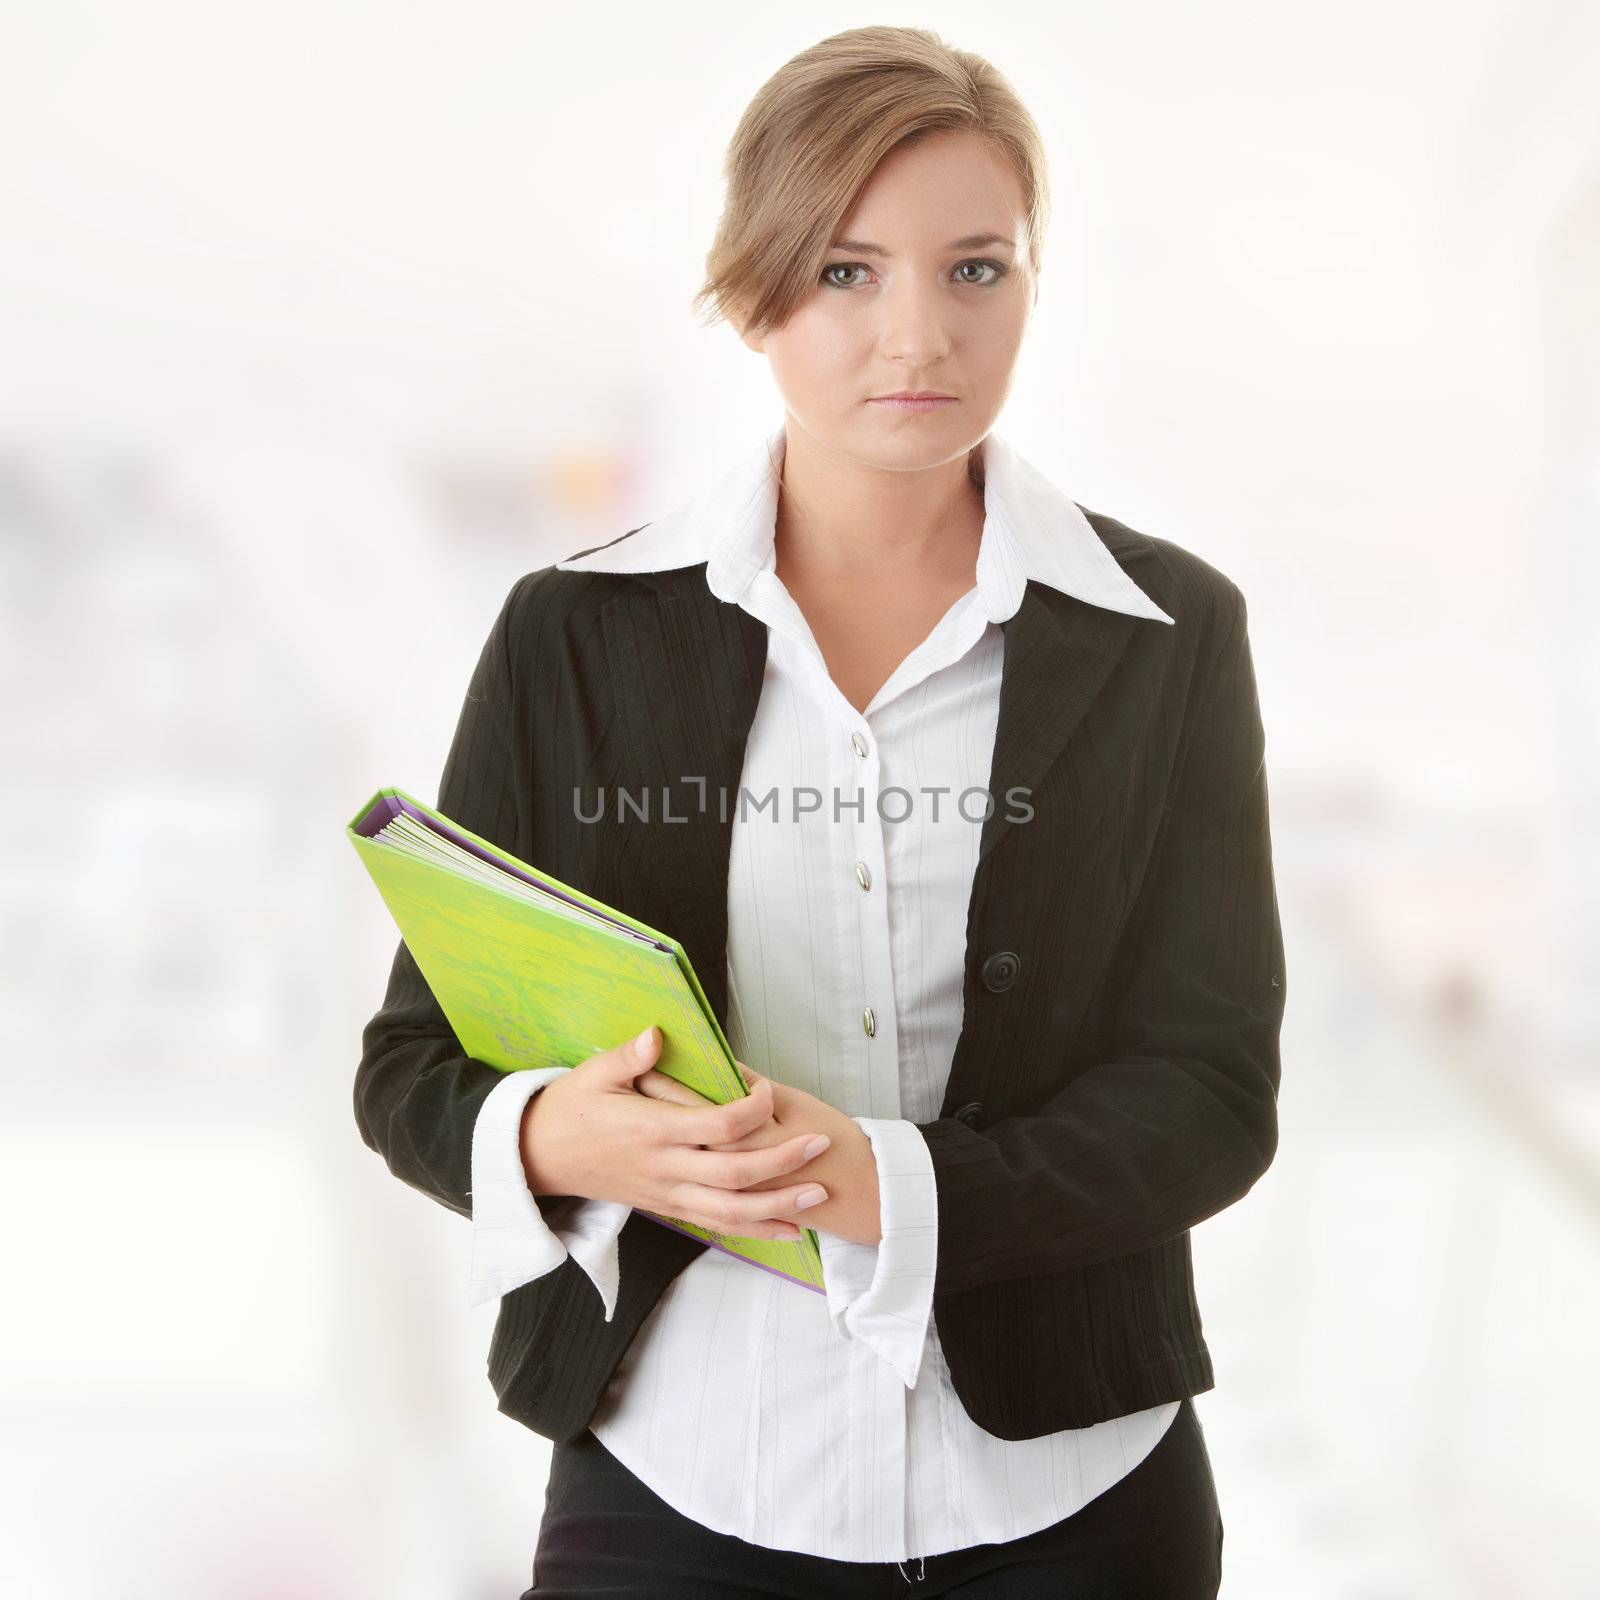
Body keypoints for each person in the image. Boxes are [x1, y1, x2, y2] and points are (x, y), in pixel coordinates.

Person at [355, 23, 1284, 1599]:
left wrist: (885, 1184)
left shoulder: (1167, 635)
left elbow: (1208, 1093)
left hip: (1075, 1493)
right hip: (681, 1476)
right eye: (847, 272)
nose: (915, 332)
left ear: (1033, 285)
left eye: (974, 269)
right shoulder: (574, 636)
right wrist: (553, 1136)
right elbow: (410, 1073)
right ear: (749, 287)